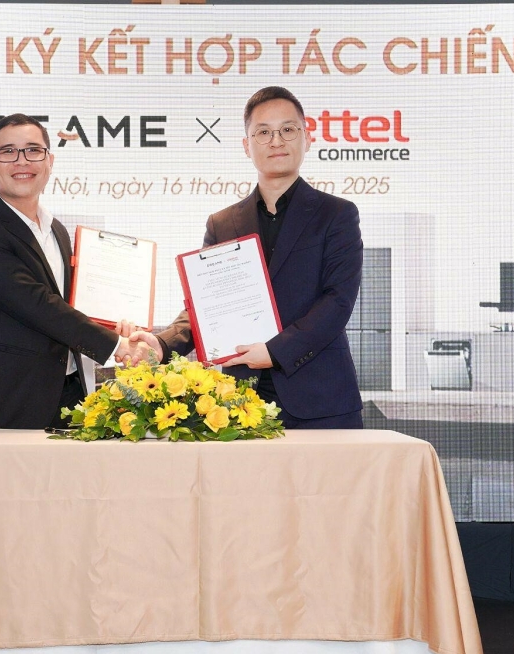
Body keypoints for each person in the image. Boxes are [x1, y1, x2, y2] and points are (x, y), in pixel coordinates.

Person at [129, 87, 364, 429]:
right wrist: (162, 343)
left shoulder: (336, 215)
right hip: (239, 399)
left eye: (287, 129)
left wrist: (276, 351)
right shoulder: (222, 223)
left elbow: (338, 301)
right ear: (246, 145)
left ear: (307, 138)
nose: (276, 141)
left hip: (321, 399)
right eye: (263, 132)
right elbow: (205, 305)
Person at [0, 113, 136, 430]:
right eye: (8, 151)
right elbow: (37, 305)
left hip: (68, 395)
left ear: (50, 161)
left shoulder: (56, 230)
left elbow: (68, 304)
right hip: (6, 403)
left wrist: (114, 322)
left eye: (33, 150)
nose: (22, 161)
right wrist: (117, 345)